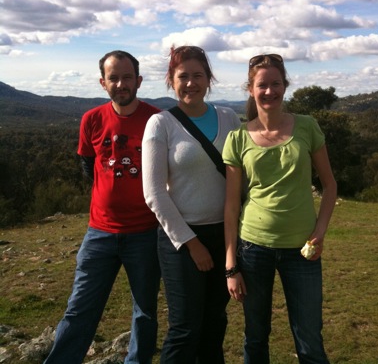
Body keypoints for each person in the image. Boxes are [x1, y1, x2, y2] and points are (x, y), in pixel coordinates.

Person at [44, 50, 161, 364]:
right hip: (99, 233)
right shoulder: (91, 119)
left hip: (146, 233)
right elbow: (87, 163)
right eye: (114, 78)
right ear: (102, 82)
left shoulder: (157, 119)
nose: (120, 83)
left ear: (138, 80)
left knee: (145, 312)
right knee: (80, 308)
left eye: (126, 77)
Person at [222, 53, 337, 364]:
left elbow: (330, 186)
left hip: (302, 250)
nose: (269, 91)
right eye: (262, 85)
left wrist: (320, 231)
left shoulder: (307, 127)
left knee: (310, 339)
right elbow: (231, 206)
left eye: (276, 84)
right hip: (253, 247)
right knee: (255, 336)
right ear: (250, 89)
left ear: (285, 86)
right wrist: (231, 265)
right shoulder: (237, 138)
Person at [142, 45, 241, 364]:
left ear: (208, 79)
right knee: (185, 329)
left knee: (214, 323)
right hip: (181, 241)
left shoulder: (228, 117)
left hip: (224, 235)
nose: (191, 83)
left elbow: (242, 177)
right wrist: (191, 243)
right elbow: (154, 193)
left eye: (198, 75)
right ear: (171, 81)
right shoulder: (161, 124)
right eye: (183, 76)